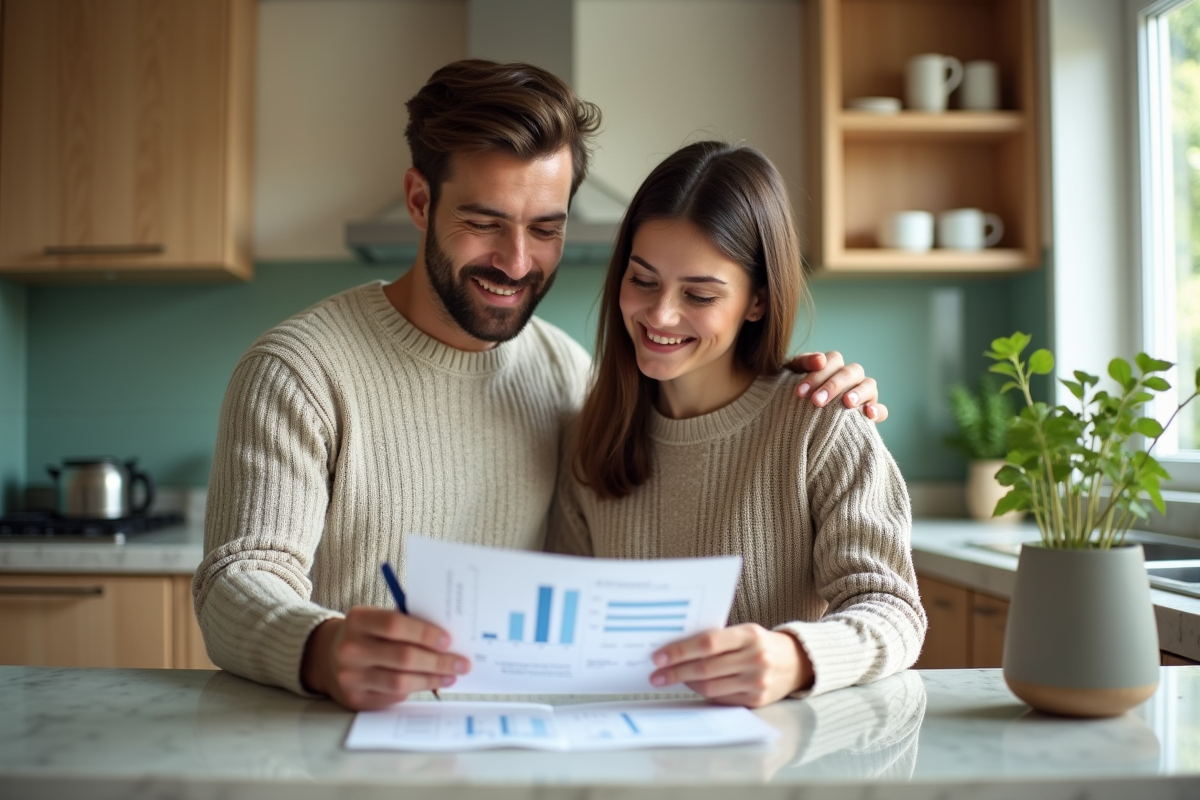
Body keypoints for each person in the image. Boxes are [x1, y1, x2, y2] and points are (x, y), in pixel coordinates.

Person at [193, 60, 889, 711]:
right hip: (340, 747)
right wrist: (321, 650)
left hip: (520, 742)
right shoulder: (300, 370)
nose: (517, 261)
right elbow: (235, 585)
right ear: (417, 200)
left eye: (545, 228)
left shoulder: (565, 376)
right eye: (483, 223)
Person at [548, 141, 925, 707]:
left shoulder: (820, 425)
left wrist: (795, 658)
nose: (660, 315)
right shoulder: (589, 436)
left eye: (699, 294)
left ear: (756, 301)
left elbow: (893, 609)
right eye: (643, 280)